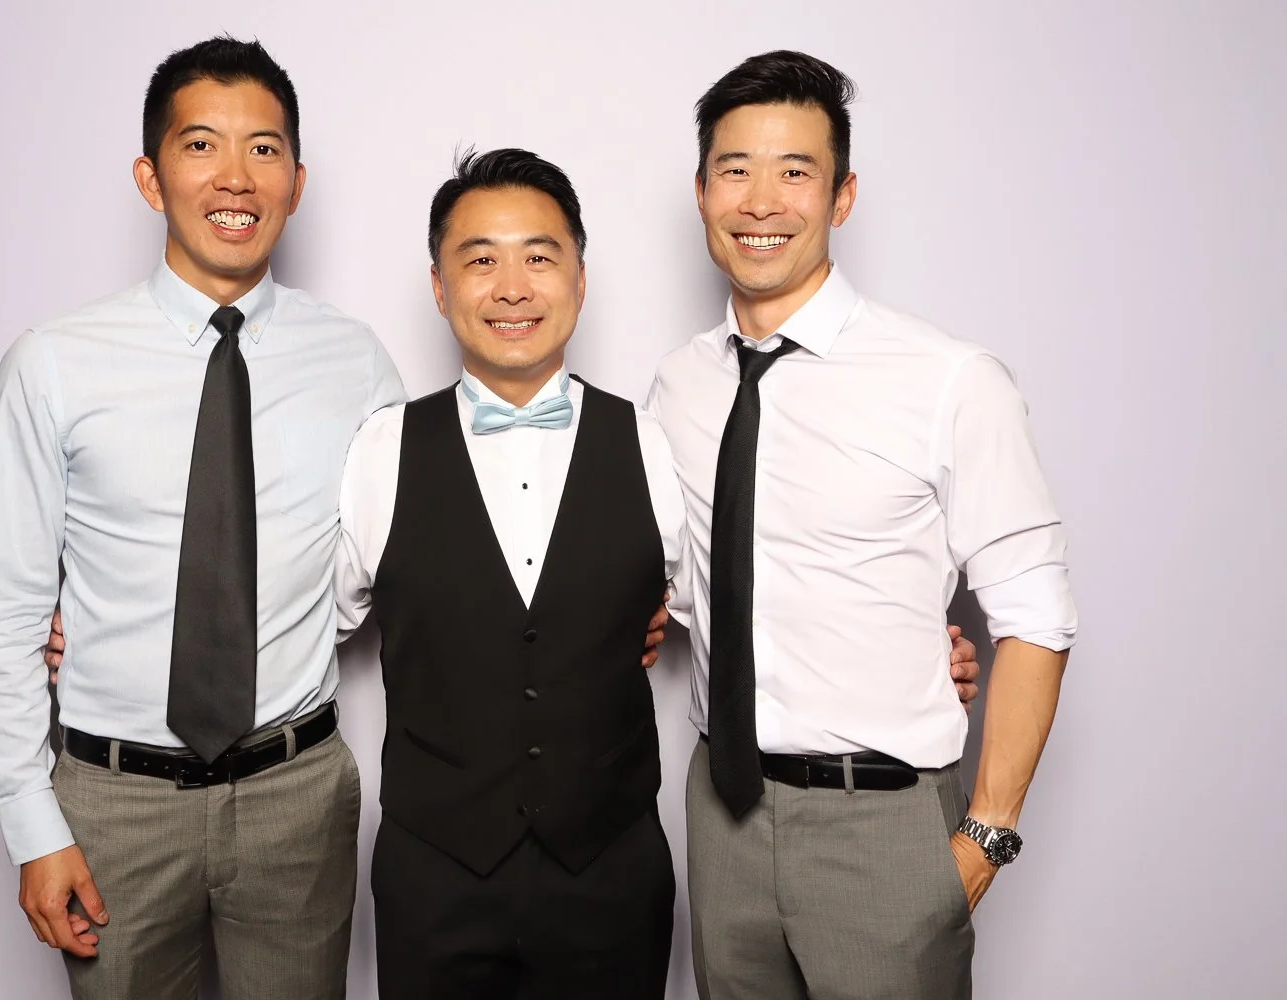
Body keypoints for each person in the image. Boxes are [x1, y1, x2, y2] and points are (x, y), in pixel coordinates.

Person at [0, 37, 404, 1000]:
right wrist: (31, 822)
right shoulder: (54, 362)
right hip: (113, 805)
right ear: (150, 173)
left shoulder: (358, 362)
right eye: (202, 144)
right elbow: (6, 615)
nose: (235, 177)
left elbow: (392, 558)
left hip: (296, 796)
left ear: (297, 179)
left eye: (265, 149)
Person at [648, 50, 1079, 999]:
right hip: (723, 818)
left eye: (796, 171)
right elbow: (685, 578)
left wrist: (983, 840)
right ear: (701, 191)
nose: (762, 200)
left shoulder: (948, 379)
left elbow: (1036, 616)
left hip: (883, 826)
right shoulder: (677, 385)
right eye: (736, 169)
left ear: (842, 197)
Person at [332, 148, 682, 1000]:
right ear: (440, 287)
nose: (513, 286)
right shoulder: (382, 447)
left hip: (612, 874)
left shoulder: (651, 436)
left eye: (539, 256)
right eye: (481, 260)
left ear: (581, 278)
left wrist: (906, 644)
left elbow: (732, 601)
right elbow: (305, 621)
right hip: (433, 878)